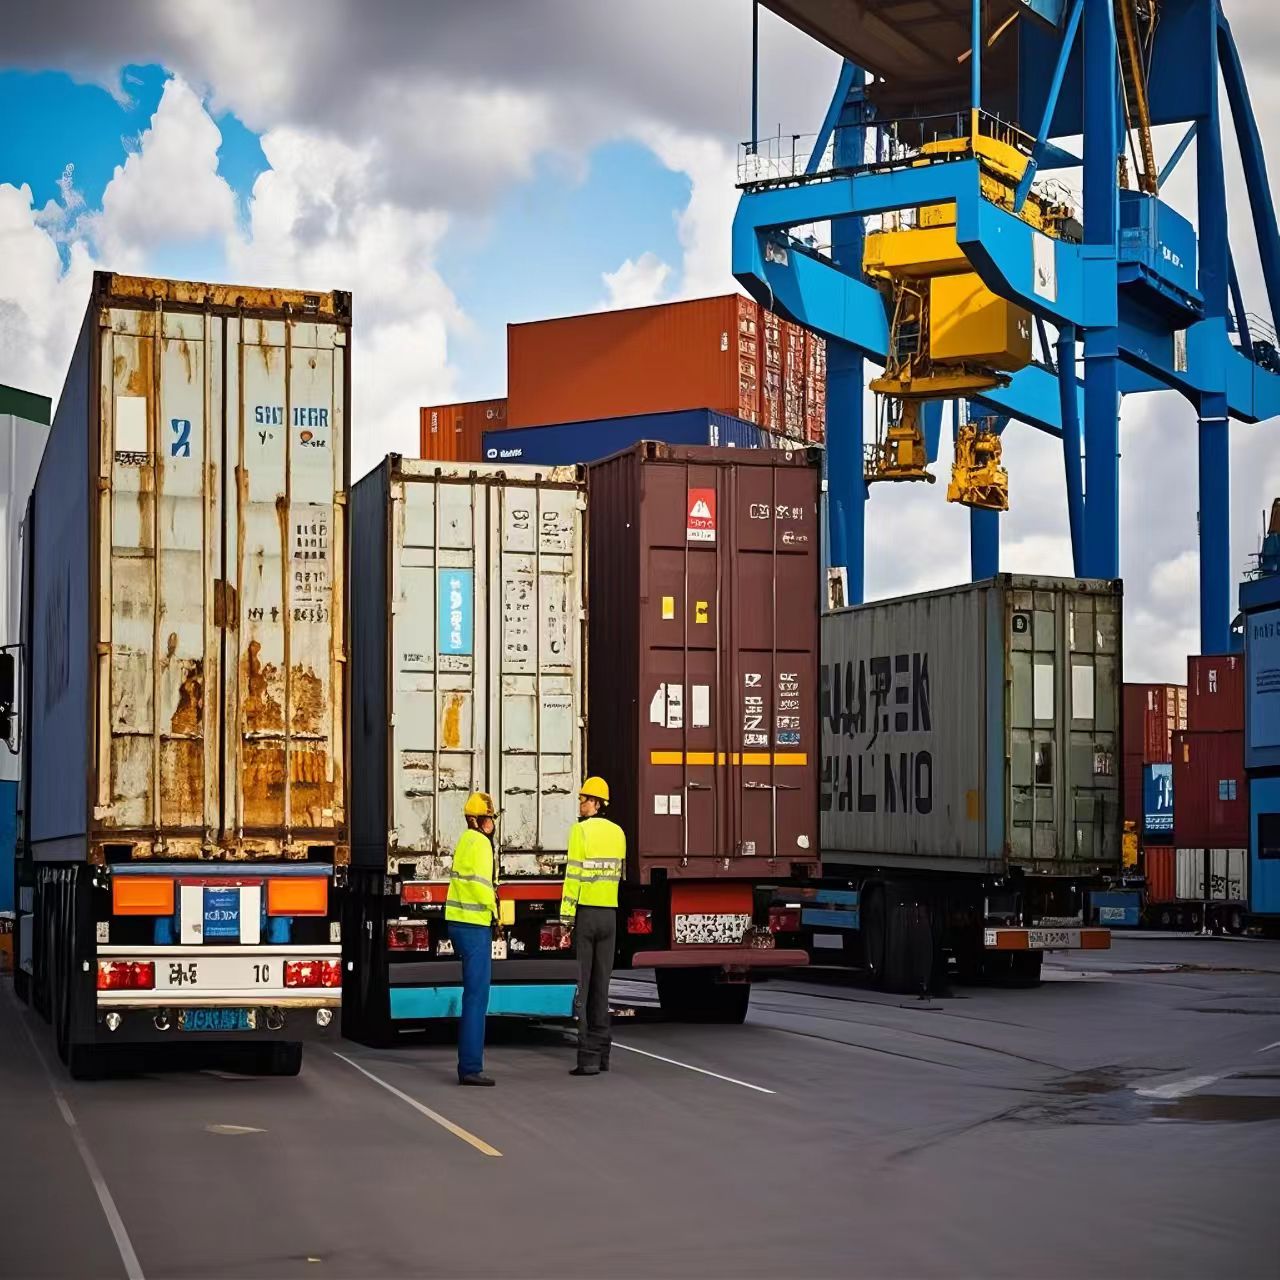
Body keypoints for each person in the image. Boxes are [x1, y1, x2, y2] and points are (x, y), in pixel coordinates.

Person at [561, 776, 626, 1076]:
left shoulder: (580, 831)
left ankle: (586, 1058)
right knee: (602, 987)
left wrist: (566, 918)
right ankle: (603, 1055)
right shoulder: (619, 833)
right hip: (609, 915)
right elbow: (619, 876)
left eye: (585, 799)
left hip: (586, 915)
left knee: (584, 990)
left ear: (597, 803)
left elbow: (572, 876)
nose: (581, 804)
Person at [446, 792, 500, 1086]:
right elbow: (482, 885)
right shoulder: (481, 843)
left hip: (456, 923)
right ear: (477, 820)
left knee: (471, 996)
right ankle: (470, 1067)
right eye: (489, 818)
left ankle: (468, 1065)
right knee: (477, 998)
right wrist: (496, 912)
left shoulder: (464, 840)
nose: (492, 823)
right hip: (475, 926)